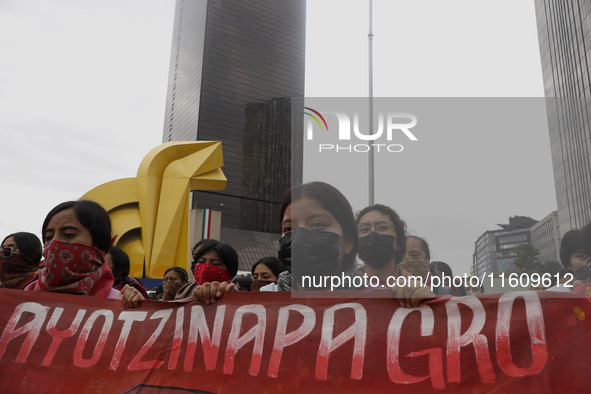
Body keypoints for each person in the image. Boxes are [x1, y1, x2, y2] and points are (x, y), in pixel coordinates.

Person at [25, 200, 144, 307]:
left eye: (69, 234)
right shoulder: (26, 295)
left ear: (99, 243)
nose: (54, 243)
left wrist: (139, 308)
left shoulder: (119, 302)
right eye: (48, 237)